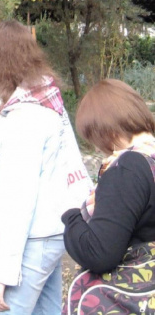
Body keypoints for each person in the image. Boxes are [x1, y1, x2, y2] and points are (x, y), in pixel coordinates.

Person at [0, 20, 89, 315]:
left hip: (33, 237)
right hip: (53, 231)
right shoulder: (47, 98)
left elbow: (19, 201)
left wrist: (1, 275)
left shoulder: (24, 118)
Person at [63, 79, 155, 315]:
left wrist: (71, 217)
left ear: (108, 131)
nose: (98, 148)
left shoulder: (130, 167)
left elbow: (99, 254)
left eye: (95, 139)